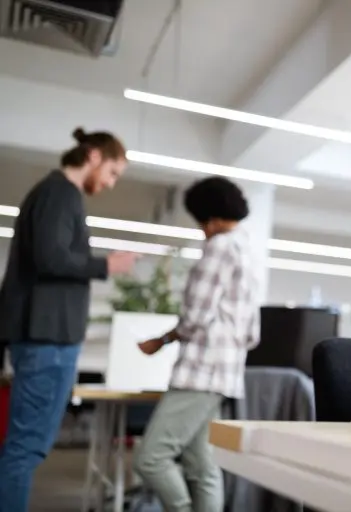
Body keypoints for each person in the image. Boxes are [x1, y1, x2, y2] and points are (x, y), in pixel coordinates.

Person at [0, 128, 137, 511]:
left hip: (48, 339)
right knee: (26, 448)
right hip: (48, 341)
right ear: (93, 156)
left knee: (26, 447)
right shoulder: (60, 193)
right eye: (111, 172)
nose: (110, 184)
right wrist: (106, 265)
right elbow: (51, 257)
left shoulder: (55, 194)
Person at [133, 177, 260, 512]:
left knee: (151, 458)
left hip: (200, 372)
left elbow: (195, 317)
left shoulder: (219, 247)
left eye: (202, 222)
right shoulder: (247, 250)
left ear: (213, 217)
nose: (202, 230)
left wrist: (160, 341)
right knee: (201, 465)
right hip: (224, 374)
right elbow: (252, 333)